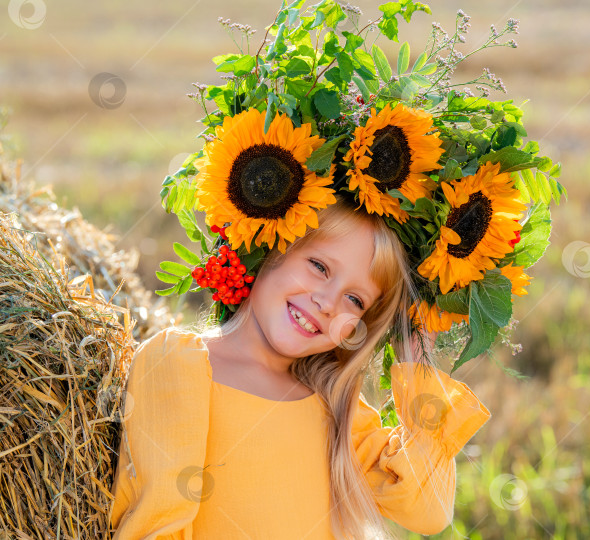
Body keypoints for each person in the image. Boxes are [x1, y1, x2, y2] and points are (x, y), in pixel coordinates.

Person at [109, 194, 492, 539]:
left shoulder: (334, 403)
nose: (328, 302)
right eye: (319, 266)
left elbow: (428, 509)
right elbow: (157, 525)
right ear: (271, 246)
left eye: (355, 300)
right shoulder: (182, 363)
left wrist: (417, 368)